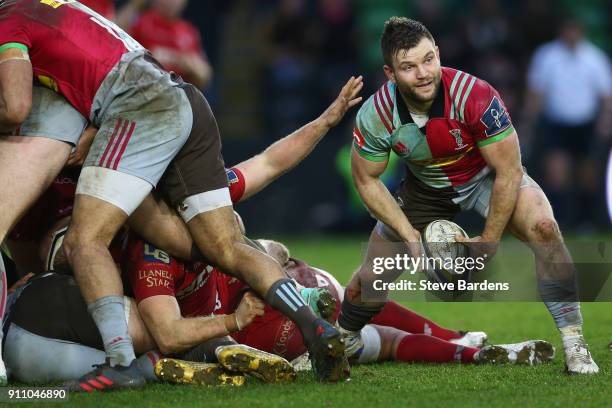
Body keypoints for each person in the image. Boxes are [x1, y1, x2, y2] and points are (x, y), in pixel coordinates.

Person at [0, 1, 358, 388]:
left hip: (135, 106)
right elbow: (266, 164)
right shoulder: (57, 7)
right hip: (181, 97)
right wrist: (325, 121)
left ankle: (123, 361)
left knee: (83, 241)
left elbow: (16, 106)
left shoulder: (9, 22)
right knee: (231, 245)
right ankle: (314, 325)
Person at [337, 17, 598, 375]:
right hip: (424, 188)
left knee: (543, 227)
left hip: (485, 176)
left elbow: (508, 170)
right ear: (390, 73)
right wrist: (410, 236)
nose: (424, 73)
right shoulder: (377, 114)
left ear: (439, 54)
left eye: (429, 59)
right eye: (409, 67)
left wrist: (489, 240)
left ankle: (575, 344)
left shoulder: (474, 94)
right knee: (375, 274)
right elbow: (366, 180)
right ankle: (343, 338)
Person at [522, 18, 612, 229]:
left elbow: (606, 97)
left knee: (587, 174)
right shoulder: (546, 56)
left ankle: (585, 222)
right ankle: (559, 221)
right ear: (562, 32)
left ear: (581, 33)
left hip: (586, 124)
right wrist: (528, 121)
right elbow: (536, 92)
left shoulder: (594, 58)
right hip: (557, 123)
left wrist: (605, 122)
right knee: (557, 173)